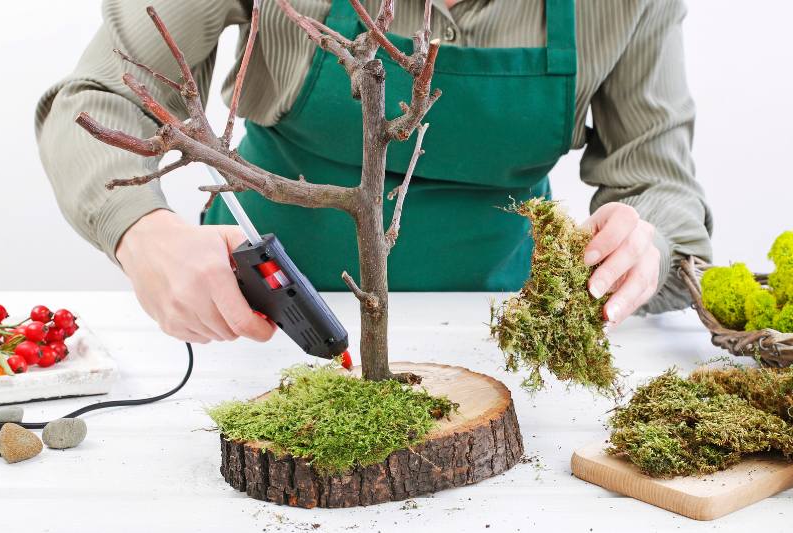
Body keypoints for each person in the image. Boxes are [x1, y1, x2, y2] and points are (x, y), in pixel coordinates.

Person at [36, 0, 711, 344]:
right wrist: (143, 231)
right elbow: (98, 98)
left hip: (502, 340)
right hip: (259, 328)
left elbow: (662, 191)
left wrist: (645, 244)